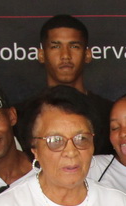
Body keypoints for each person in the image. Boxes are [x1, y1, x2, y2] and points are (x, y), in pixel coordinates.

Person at [36, 13, 113, 153]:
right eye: (55, 46)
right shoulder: (25, 114)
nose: (65, 55)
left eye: (74, 46)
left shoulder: (110, 114)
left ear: (87, 55)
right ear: (41, 55)